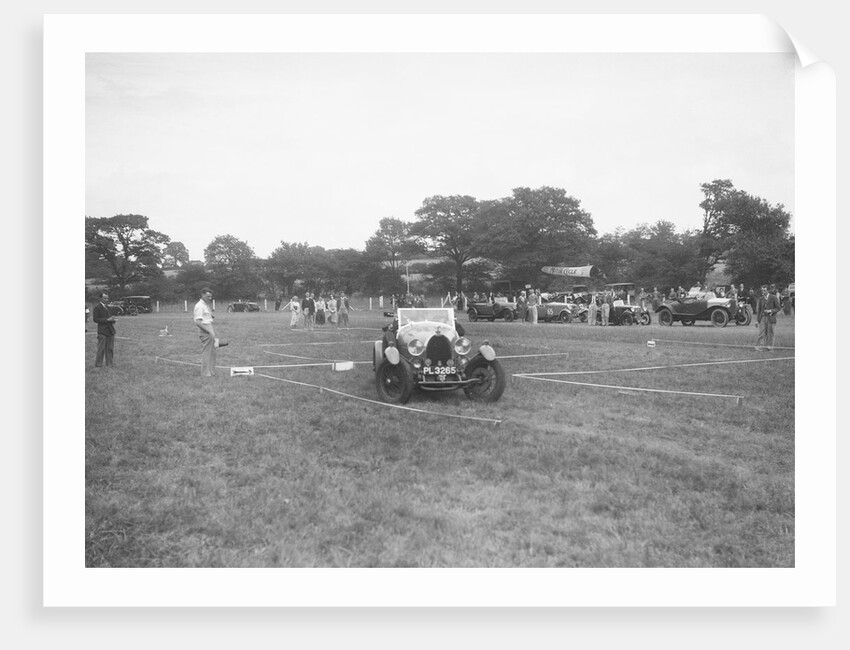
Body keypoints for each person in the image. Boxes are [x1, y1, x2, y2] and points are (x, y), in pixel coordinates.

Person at [193, 288, 218, 377]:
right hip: (205, 330)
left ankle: (211, 371)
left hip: (209, 328)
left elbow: (207, 316)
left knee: (212, 352)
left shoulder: (205, 305)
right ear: (202, 295)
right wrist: (209, 332)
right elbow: (198, 322)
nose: (209, 298)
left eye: (211, 296)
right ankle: (205, 373)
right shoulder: (200, 306)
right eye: (208, 296)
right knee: (207, 352)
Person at [92, 291, 117, 367]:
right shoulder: (97, 308)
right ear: (100, 298)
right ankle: (98, 364)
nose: (106, 299)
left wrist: (113, 320)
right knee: (101, 349)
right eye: (105, 298)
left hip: (110, 330)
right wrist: (107, 320)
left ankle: (109, 364)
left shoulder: (109, 308)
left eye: (107, 298)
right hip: (102, 331)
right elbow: (95, 319)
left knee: (110, 348)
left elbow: (110, 317)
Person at [755, 284, 782, 351]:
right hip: (763, 318)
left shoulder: (773, 297)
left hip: (771, 318)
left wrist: (771, 310)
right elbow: (759, 311)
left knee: (770, 333)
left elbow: (778, 308)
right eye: (762, 290)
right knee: (761, 333)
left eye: (764, 290)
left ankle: (770, 347)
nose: (763, 292)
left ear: (768, 290)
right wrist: (757, 321)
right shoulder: (761, 299)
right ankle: (759, 347)